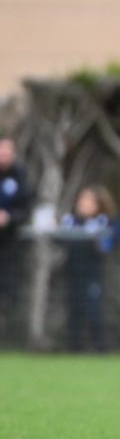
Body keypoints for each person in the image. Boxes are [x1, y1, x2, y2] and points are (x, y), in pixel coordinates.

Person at [60, 186, 120, 352]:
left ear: (99, 204)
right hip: (72, 273)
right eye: (82, 199)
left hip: (92, 275)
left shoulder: (104, 221)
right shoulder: (71, 221)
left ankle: (100, 350)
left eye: (88, 200)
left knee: (94, 313)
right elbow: (59, 237)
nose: (83, 203)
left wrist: (104, 243)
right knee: (74, 314)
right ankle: (74, 351)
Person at [0, 136, 32, 333]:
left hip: (10, 244)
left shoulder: (20, 177)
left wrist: (10, 217)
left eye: (7, 151)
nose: (3, 155)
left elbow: (26, 210)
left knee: (9, 292)